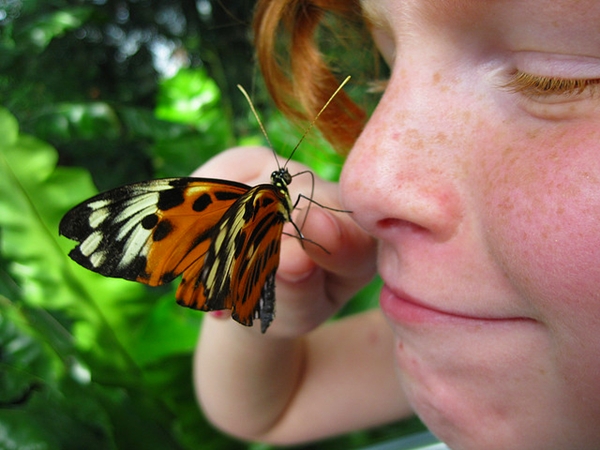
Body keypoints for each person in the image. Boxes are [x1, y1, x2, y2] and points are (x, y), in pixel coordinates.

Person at [193, 0, 600, 449]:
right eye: (384, 71)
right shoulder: (477, 348)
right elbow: (271, 408)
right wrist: (250, 296)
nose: (363, 180)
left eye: (552, 76)